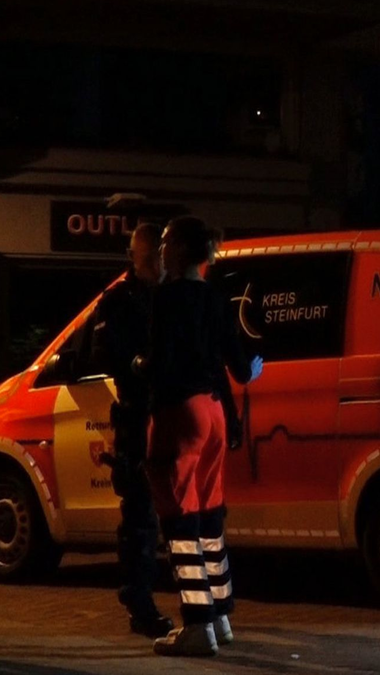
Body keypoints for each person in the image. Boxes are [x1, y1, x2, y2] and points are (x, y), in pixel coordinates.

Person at [140, 216, 262, 656]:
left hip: (180, 411)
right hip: (215, 412)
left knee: (179, 517)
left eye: (167, 241)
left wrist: (140, 368)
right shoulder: (216, 298)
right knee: (209, 514)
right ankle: (220, 616)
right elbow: (243, 365)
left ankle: (196, 625)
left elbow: (161, 361)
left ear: (182, 250)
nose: (161, 248)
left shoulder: (166, 298)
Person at [90, 222, 173, 638]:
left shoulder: (171, 295)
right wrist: (138, 363)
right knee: (140, 518)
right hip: (138, 417)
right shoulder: (119, 301)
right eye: (149, 258)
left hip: (169, 415)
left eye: (159, 256)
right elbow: (103, 352)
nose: (157, 264)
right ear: (133, 257)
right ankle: (139, 601)